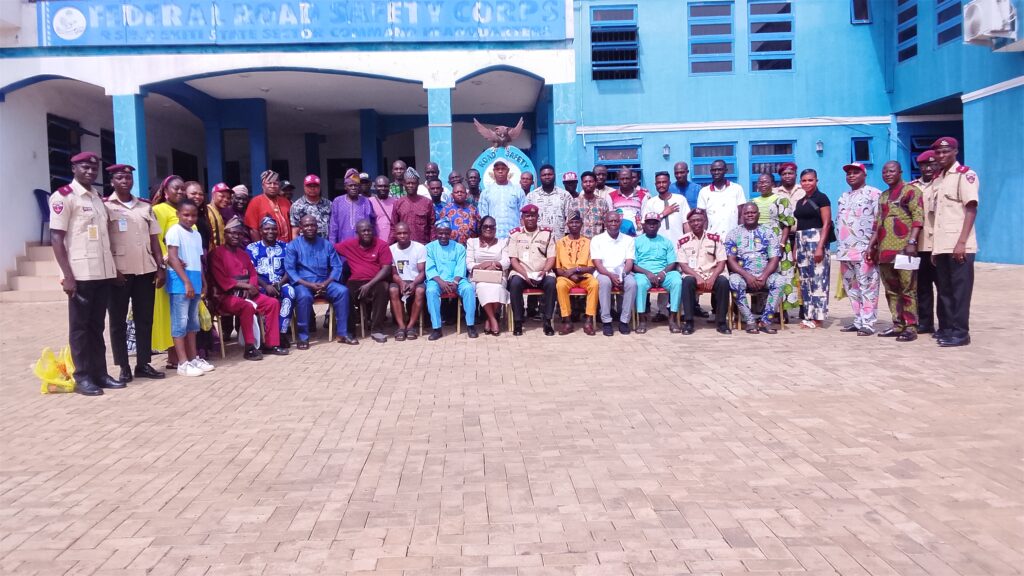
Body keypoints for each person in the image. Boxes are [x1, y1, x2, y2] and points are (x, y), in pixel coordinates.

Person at [49, 152, 123, 395]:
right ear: (74, 168)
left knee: (96, 327)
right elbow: (57, 238)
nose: (90, 171)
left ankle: (100, 373)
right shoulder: (64, 197)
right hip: (80, 273)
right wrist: (67, 275)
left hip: (101, 272)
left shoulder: (97, 198)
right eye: (85, 167)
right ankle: (82, 377)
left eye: (94, 168)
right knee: (79, 329)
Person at [104, 164, 166, 383]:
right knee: (118, 322)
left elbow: (154, 239)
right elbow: (103, 242)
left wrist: (160, 267)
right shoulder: (106, 206)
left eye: (128, 178)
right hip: (119, 272)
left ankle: (143, 363)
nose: (125, 181)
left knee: (144, 319)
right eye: (120, 178)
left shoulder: (145, 206)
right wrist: (112, 270)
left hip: (145, 270)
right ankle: (123, 366)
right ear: (112, 181)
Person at [210, 218, 289, 359]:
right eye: (232, 233)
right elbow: (222, 280)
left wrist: (251, 287)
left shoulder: (243, 253)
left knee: (272, 303)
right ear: (225, 234)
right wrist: (246, 286)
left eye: (239, 234)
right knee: (246, 307)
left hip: (247, 293)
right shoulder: (216, 254)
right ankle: (250, 347)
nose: (236, 236)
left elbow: (252, 273)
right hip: (227, 296)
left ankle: (271, 344)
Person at [929, 137, 978, 347]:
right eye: (938, 152)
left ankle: (961, 333)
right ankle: (948, 329)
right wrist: (935, 249)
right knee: (945, 291)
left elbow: (971, 208)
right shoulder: (938, 179)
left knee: (960, 292)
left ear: (955, 151)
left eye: (946, 151)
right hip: (942, 245)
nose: (941, 155)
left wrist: (962, 242)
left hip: (959, 244)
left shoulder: (965, 175)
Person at [868, 161, 923, 342]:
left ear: (900, 172)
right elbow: (878, 222)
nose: (888, 174)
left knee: (908, 289)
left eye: (891, 171)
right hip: (885, 252)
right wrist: (872, 246)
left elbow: (918, 218)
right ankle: (898, 324)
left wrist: (912, 242)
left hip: (904, 250)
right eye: (884, 172)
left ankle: (911, 327)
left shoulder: (911, 191)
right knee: (891, 290)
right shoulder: (883, 196)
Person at [285, 215, 356, 348]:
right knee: (304, 296)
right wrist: (309, 284)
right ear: (301, 228)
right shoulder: (293, 245)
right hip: (303, 284)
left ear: (317, 227)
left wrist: (326, 283)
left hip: (324, 282)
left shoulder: (326, 244)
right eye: (306, 225)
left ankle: (343, 333)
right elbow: (290, 270)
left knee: (343, 291)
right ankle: (303, 338)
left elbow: (337, 266)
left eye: (312, 225)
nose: (310, 228)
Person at [165, 199, 215, 376]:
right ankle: (182, 363)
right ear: (178, 214)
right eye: (185, 215)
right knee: (180, 322)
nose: (190, 218)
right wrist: (186, 282)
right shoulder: (174, 231)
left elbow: (198, 260)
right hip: (180, 282)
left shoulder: (196, 234)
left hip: (195, 280)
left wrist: (203, 281)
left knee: (193, 323)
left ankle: (193, 359)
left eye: (193, 215)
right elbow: (172, 257)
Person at [836, 162, 883, 335]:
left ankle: (868, 322)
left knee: (868, 287)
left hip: (865, 249)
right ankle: (858, 319)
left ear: (864, 174)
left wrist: (873, 246)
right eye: (848, 173)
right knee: (851, 288)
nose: (851, 175)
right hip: (845, 251)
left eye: (855, 172)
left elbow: (879, 222)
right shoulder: (844, 196)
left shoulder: (874, 194)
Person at [726, 203, 783, 334]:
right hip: (743, 275)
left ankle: (766, 321)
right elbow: (731, 260)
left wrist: (763, 276)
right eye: (747, 213)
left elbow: (774, 259)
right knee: (734, 281)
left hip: (766, 275)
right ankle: (750, 321)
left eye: (753, 212)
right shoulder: (733, 234)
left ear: (759, 214)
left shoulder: (769, 232)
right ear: (742, 215)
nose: (750, 215)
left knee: (780, 281)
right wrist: (747, 276)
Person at [335, 219, 393, 344]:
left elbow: (386, 269)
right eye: (363, 231)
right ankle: (349, 332)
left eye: (369, 230)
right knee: (345, 293)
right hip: (355, 281)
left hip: (375, 281)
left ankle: (376, 330)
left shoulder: (382, 245)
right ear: (357, 233)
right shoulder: (349, 245)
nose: (367, 233)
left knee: (383, 288)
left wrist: (369, 284)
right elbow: (330, 248)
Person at [677, 209, 730, 335]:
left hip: (713, 273)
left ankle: (721, 322)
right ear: (689, 223)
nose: (696, 223)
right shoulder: (683, 241)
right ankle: (689, 322)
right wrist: (697, 277)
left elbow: (722, 262)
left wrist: (713, 277)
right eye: (692, 221)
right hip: (693, 274)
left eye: (699, 220)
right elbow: (683, 265)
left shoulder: (715, 239)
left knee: (723, 282)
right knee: (687, 281)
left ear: (705, 221)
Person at [751, 172, 798, 315]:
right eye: (760, 182)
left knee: (782, 275)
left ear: (773, 184)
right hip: (759, 245)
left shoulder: (781, 200)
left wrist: (782, 244)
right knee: (762, 274)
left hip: (778, 241)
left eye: (766, 182)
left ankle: (782, 313)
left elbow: (787, 224)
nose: (763, 185)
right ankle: (763, 311)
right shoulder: (753, 201)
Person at [152, 175, 186, 368]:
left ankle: (184, 354)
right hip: (171, 270)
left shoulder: (184, 211)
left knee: (183, 313)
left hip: (187, 270)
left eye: (182, 189)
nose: (180, 191)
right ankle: (173, 356)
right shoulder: (159, 210)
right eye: (176, 188)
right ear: (165, 192)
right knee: (171, 314)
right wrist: (167, 262)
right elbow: (156, 240)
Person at [792, 168, 832, 328]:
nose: (807, 183)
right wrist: (795, 249)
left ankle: (818, 317)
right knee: (805, 281)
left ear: (816, 181)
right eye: (804, 180)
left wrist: (820, 247)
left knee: (818, 279)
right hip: (801, 242)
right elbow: (799, 226)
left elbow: (826, 224)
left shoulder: (822, 198)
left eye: (810, 180)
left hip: (816, 240)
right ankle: (808, 315)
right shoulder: (800, 201)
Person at [507, 204, 556, 336]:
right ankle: (518, 321)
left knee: (551, 283)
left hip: (542, 272)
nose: (530, 218)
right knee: (515, 283)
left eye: (533, 216)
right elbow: (513, 260)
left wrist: (544, 271)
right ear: (522, 218)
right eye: (527, 216)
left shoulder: (547, 233)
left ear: (537, 217)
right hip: (521, 272)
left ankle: (547, 321)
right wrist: (525, 275)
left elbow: (551, 257)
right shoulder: (515, 234)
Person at [425, 219, 478, 340]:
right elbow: (430, 268)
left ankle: (470, 325)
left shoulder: (459, 248)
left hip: (457, 280)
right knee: (431, 291)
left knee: (469, 289)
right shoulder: (429, 248)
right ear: (436, 233)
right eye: (440, 233)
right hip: (437, 280)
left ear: (450, 233)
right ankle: (437, 328)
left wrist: (455, 281)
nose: (443, 236)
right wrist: (441, 282)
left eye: (446, 233)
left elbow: (461, 266)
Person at [246, 217, 295, 349]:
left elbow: (290, 269)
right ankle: (269, 335)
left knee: (290, 292)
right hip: (260, 285)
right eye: (267, 229)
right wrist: (266, 286)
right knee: (267, 300)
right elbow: (251, 271)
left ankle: (281, 332)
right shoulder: (252, 248)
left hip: (281, 282)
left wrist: (280, 284)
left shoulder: (286, 247)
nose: (270, 231)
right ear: (260, 230)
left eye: (273, 229)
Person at [632, 212, 683, 334]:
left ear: (659, 225)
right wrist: (648, 273)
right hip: (643, 273)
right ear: (644, 225)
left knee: (677, 281)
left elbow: (672, 262)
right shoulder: (636, 241)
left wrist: (663, 273)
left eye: (654, 223)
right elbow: (633, 264)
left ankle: (672, 319)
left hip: (664, 273)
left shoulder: (666, 242)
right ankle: (642, 320)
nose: (651, 225)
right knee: (639, 284)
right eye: (649, 223)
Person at [590, 211, 637, 336]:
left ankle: (624, 321)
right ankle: (606, 321)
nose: (613, 223)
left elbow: (629, 261)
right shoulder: (597, 239)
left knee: (632, 284)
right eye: (610, 221)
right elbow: (597, 263)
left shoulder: (628, 240)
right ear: (605, 223)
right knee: (605, 283)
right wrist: (610, 275)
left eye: (616, 221)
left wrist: (623, 275)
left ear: (620, 222)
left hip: (623, 271)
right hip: (604, 272)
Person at [912, 150, 943, 336]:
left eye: (932, 164)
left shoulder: (943, 184)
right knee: (921, 287)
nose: (929, 168)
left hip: (940, 245)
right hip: (919, 245)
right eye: (925, 165)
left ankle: (945, 325)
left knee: (943, 288)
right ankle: (925, 323)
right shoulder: (913, 187)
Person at [553, 211, 598, 335]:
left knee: (594, 284)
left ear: (581, 224)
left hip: (584, 275)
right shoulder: (560, 243)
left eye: (577, 222)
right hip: (565, 276)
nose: (574, 225)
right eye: (571, 222)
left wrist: (575, 270)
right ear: (567, 224)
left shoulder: (588, 242)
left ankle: (588, 320)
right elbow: (557, 268)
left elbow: (591, 267)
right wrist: (571, 275)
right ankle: (567, 321)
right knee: (560, 285)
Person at [467, 215, 510, 336]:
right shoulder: (472, 242)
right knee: (483, 287)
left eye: (491, 226)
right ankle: (493, 319)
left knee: (498, 288)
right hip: (479, 276)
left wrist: (494, 264)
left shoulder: (502, 242)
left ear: (495, 228)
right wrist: (483, 265)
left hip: (497, 275)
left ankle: (488, 319)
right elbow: (469, 263)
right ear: (480, 228)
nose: (488, 229)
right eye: (485, 226)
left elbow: (506, 262)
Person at [388, 222, 427, 341]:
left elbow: (422, 272)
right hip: (399, 280)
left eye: (405, 233)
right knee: (393, 290)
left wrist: (413, 284)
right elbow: (393, 272)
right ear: (395, 234)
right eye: (399, 233)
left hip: (416, 280)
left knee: (420, 291)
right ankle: (401, 326)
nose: (402, 236)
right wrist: (401, 283)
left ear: (410, 233)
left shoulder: (419, 248)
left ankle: (410, 326)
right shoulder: (391, 249)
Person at [697, 159, 747, 237]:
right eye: (714, 170)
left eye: (719, 170)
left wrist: (742, 235)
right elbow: (703, 218)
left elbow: (741, 215)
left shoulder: (737, 189)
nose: (716, 172)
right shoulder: (704, 192)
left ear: (725, 171)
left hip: (733, 236)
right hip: (712, 237)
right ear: (710, 172)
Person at [478, 160, 524, 238]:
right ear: (493, 171)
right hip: (493, 238)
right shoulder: (486, 192)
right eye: (497, 169)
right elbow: (483, 217)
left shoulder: (518, 191)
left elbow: (523, 216)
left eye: (503, 169)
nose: (500, 171)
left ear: (508, 170)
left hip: (514, 236)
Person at [641, 171, 690, 246]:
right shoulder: (650, 202)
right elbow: (645, 225)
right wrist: (663, 214)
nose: (661, 185)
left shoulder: (680, 199)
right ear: (655, 184)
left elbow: (686, 223)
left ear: (669, 183)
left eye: (664, 182)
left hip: (679, 244)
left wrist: (688, 243)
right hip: (657, 245)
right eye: (658, 183)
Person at [525, 164, 573, 239]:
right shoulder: (531, 196)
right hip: (537, 239)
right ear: (540, 177)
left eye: (550, 174)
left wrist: (567, 238)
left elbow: (570, 218)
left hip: (559, 239)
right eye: (544, 175)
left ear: (554, 176)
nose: (547, 177)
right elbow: (526, 218)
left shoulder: (565, 195)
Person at [244, 170, 292, 243]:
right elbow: (253, 230)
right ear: (263, 185)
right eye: (269, 183)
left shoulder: (286, 202)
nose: (272, 186)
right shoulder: (255, 202)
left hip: (287, 245)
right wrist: (260, 247)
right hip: (266, 246)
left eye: (275, 183)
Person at [392, 167, 434, 244]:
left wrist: (432, 245)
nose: (410, 185)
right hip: (404, 246)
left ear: (418, 184)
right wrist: (390, 245)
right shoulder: (398, 203)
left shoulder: (427, 202)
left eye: (413, 183)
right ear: (404, 184)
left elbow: (432, 226)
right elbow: (393, 226)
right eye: (408, 183)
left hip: (423, 245)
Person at [329, 174, 375, 244]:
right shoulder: (338, 201)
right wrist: (332, 244)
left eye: (356, 185)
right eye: (350, 185)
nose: (353, 188)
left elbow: (371, 223)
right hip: (343, 244)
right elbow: (333, 225)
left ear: (359, 187)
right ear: (345, 187)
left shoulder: (365, 201)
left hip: (362, 245)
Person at [569, 171, 610, 238]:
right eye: (585, 182)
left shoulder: (602, 202)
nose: (588, 184)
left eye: (591, 181)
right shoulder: (574, 203)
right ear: (582, 184)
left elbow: (606, 225)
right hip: (580, 242)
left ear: (595, 183)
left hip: (598, 241)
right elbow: (570, 226)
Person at [289, 174, 332, 239]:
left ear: (319, 187)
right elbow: (295, 231)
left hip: (325, 243)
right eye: (309, 186)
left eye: (315, 186)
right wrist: (297, 245)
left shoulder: (329, 204)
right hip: (305, 244)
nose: (312, 188)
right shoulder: (297, 206)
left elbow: (333, 227)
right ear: (304, 187)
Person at [608, 167, 648, 234]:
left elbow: (644, 218)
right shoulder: (611, 196)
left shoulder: (643, 196)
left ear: (632, 179)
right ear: (618, 179)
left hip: (637, 234)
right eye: (622, 179)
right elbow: (610, 218)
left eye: (627, 178)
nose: (625, 181)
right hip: (618, 235)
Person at [185, 181, 214, 251]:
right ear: (184, 194)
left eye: (201, 194)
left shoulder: (202, 214)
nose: (198, 196)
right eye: (193, 193)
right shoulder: (180, 215)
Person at [370, 175, 397, 245]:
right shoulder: (369, 202)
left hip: (393, 243)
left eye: (385, 186)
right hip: (375, 243)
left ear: (389, 187)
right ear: (375, 187)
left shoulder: (396, 202)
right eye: (380, 186)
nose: (383, 188)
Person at [207, 182, 231, 247]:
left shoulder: (219, 212)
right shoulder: (207, 212)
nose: (226, 200)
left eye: (228, 198)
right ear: (213, 195)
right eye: (222, 196)